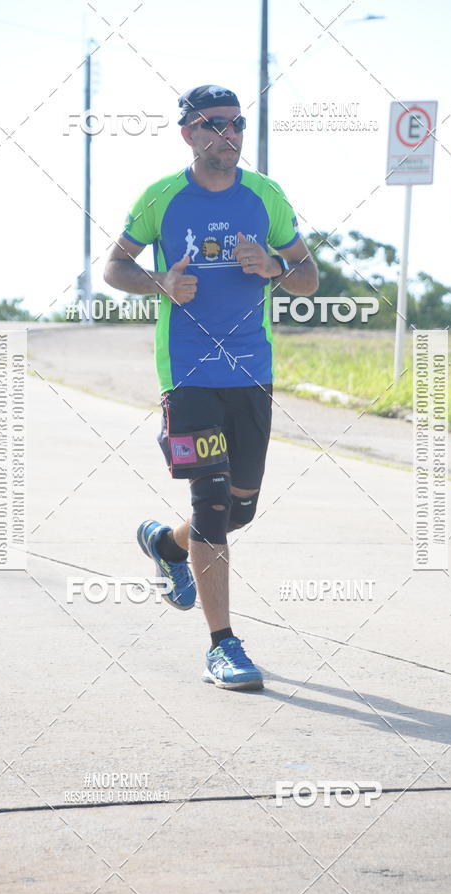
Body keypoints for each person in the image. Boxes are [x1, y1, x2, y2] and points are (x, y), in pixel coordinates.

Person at [104, 84, 318, 691]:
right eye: (213, 123)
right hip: (189, 372)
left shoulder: (266, 196)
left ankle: (167, 546)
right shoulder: (162, 197)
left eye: (236, 123)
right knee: (212, 505)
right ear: (188, 134)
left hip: (252, 373)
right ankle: (223, 646)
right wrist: (160, 284)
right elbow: (114, 267)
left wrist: (275, 266)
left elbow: (307, 279)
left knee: (240, 508)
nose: (228, 133)